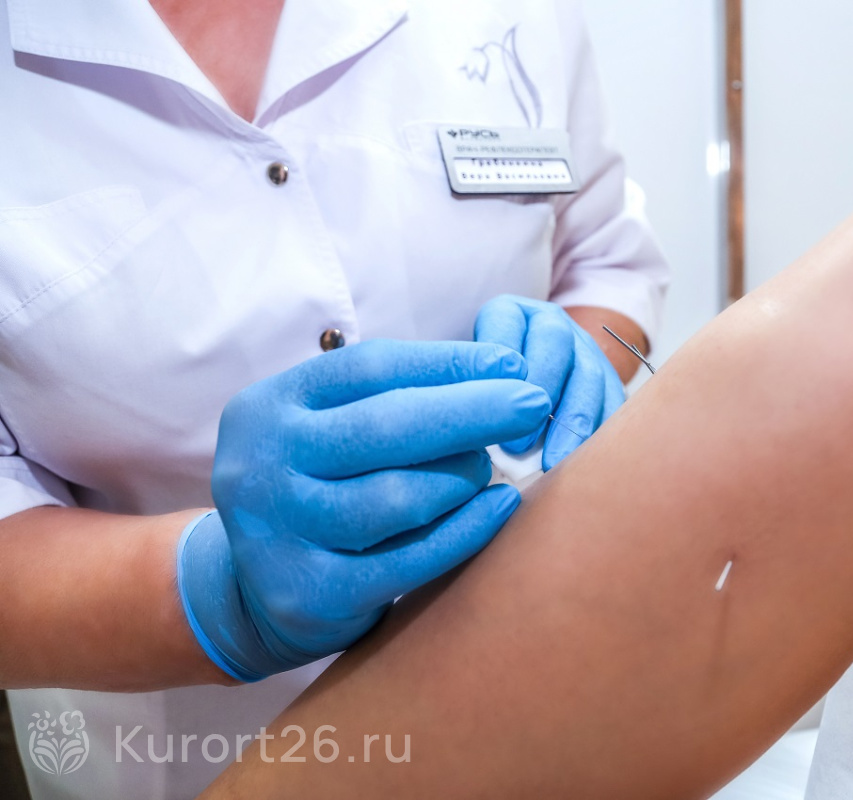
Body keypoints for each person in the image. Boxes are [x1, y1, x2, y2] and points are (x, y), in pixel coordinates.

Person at [202, 176, 853, 800]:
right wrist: (199, 590)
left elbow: (605, 255)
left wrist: (575, 354)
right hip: (176, 732)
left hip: (513, 593)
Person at [0, 0, 667, 797]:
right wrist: (218, 593)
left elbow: (605, 256)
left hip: (542, 704)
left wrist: (568, 363)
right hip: (194, 761)